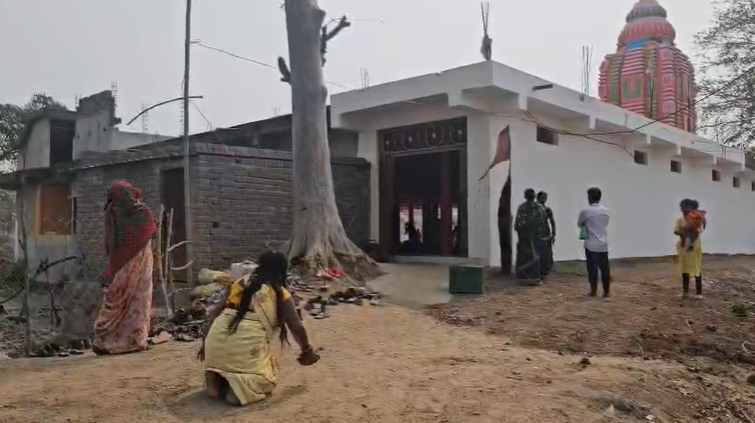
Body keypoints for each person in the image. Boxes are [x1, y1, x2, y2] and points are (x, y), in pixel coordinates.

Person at [198, 250, 319, 406]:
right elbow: (296, 325)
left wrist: (205, 342)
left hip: (215, 341)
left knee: (223, 362)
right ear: (282, 271)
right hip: (244, 348)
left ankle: (215, 380)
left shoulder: (238, 283)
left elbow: (215, 313)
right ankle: (239, 391)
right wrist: (307, 350)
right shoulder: (280, 294)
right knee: (268, 375)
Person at [93, 181, 158, 355]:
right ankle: (133, 340)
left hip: (119, 262)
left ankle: (105, 340)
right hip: (140, 262)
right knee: (138, 299)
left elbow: (111, 240)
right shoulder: (142, 211)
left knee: (116, 297)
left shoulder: (111, 212)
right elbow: (153, 231)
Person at [577, 187, 610, 297]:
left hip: (591, 245)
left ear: (590, 197)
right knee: (605, 269)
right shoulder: (606, 211)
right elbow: (605, 224)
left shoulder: (586, 211)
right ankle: (606, 291)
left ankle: (594, 291)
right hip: (603, 244)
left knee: (592, 269)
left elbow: (579, 224)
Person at [515, 188, 547, 284]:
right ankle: (532, 277)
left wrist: (522, 231)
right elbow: (542, 221)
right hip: (532, 236)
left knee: (527, 256)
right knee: (533, 256)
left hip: (527, 236)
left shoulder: (522, 207)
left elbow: (517, 224)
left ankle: (526, 277)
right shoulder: (539, 208)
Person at [674, 199, 705, 299]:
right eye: (681, 206)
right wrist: (684, 232)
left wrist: (687, 233)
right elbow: (676, 231)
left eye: (684, 206)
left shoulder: (697, 218)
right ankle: (685, 292)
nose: (682, 209)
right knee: (684, 268)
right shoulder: (680, 220)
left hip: (694, 245)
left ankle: (699, 293)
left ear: (690, 207)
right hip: (683, 246)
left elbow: (698, 231)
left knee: (696, 267)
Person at [536, 191, 556, 276]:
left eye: (545, 197)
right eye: (542, 197)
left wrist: (553, 233)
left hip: (546, 232)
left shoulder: (547, 209)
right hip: (537, 232)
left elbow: (552, 221)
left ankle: (545, 268)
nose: (544, 199)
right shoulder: (534, 209)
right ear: (538, 198)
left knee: (547, 251)